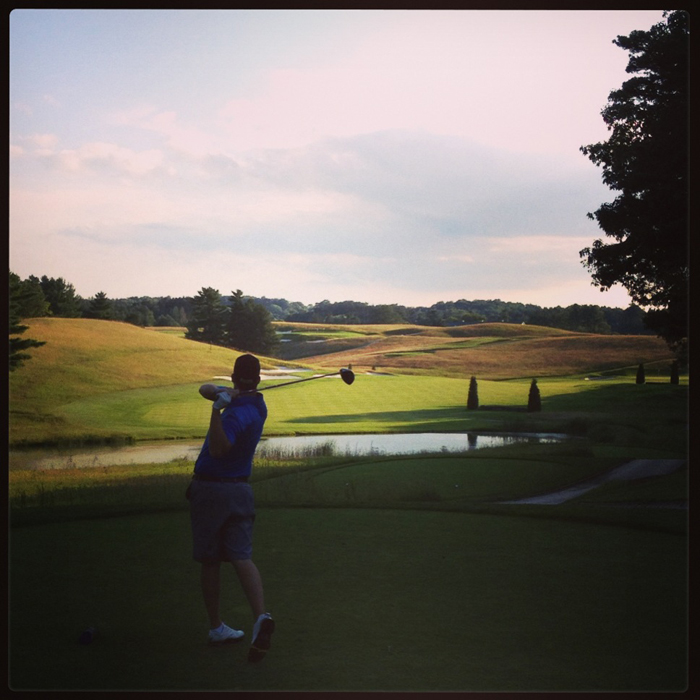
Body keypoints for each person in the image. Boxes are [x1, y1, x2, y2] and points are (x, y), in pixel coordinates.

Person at [186, 353, 275, 663]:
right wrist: (223, 393)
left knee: (210, 560)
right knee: (241, 556)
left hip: (212, 490)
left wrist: (217, 409)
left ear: (235, 376)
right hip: (240, 491)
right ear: (258, 380)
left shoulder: (238, 415)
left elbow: (219, 448)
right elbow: (204, 388)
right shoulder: (258, 405)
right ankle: (261, 617)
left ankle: (216, 627)